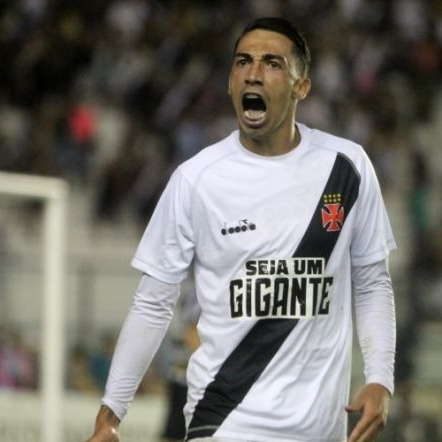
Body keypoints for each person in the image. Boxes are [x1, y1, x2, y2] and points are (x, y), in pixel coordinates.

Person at [86, 17, 397, 442]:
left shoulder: (346, 167)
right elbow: (152, 303)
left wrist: (381, 377)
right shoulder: (196, 180)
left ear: (301, 86)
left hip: (320, 432)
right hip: (223, 423)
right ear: (231, 83)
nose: (253, 72)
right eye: (242, 62)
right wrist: (111, 414)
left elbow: (372, 281)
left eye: (271, 63)